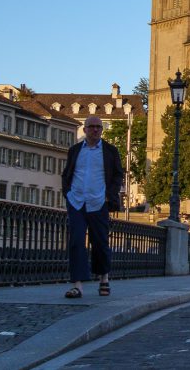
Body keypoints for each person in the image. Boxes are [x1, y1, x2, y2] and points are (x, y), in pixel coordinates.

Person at [61, 116, 124, 298]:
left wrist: (108, 196)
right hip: (77, 201)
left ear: (102, 130)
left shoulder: (110, 151)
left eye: (98, 127)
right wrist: (68, 192)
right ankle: (77, 285)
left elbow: (118, 175)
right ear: (85, 129)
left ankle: (103, 278)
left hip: (98, 202)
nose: (95, 130)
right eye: (92, 127)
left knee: (100, 242)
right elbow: (67, 174)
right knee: (76, 242)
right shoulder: (74, 151)